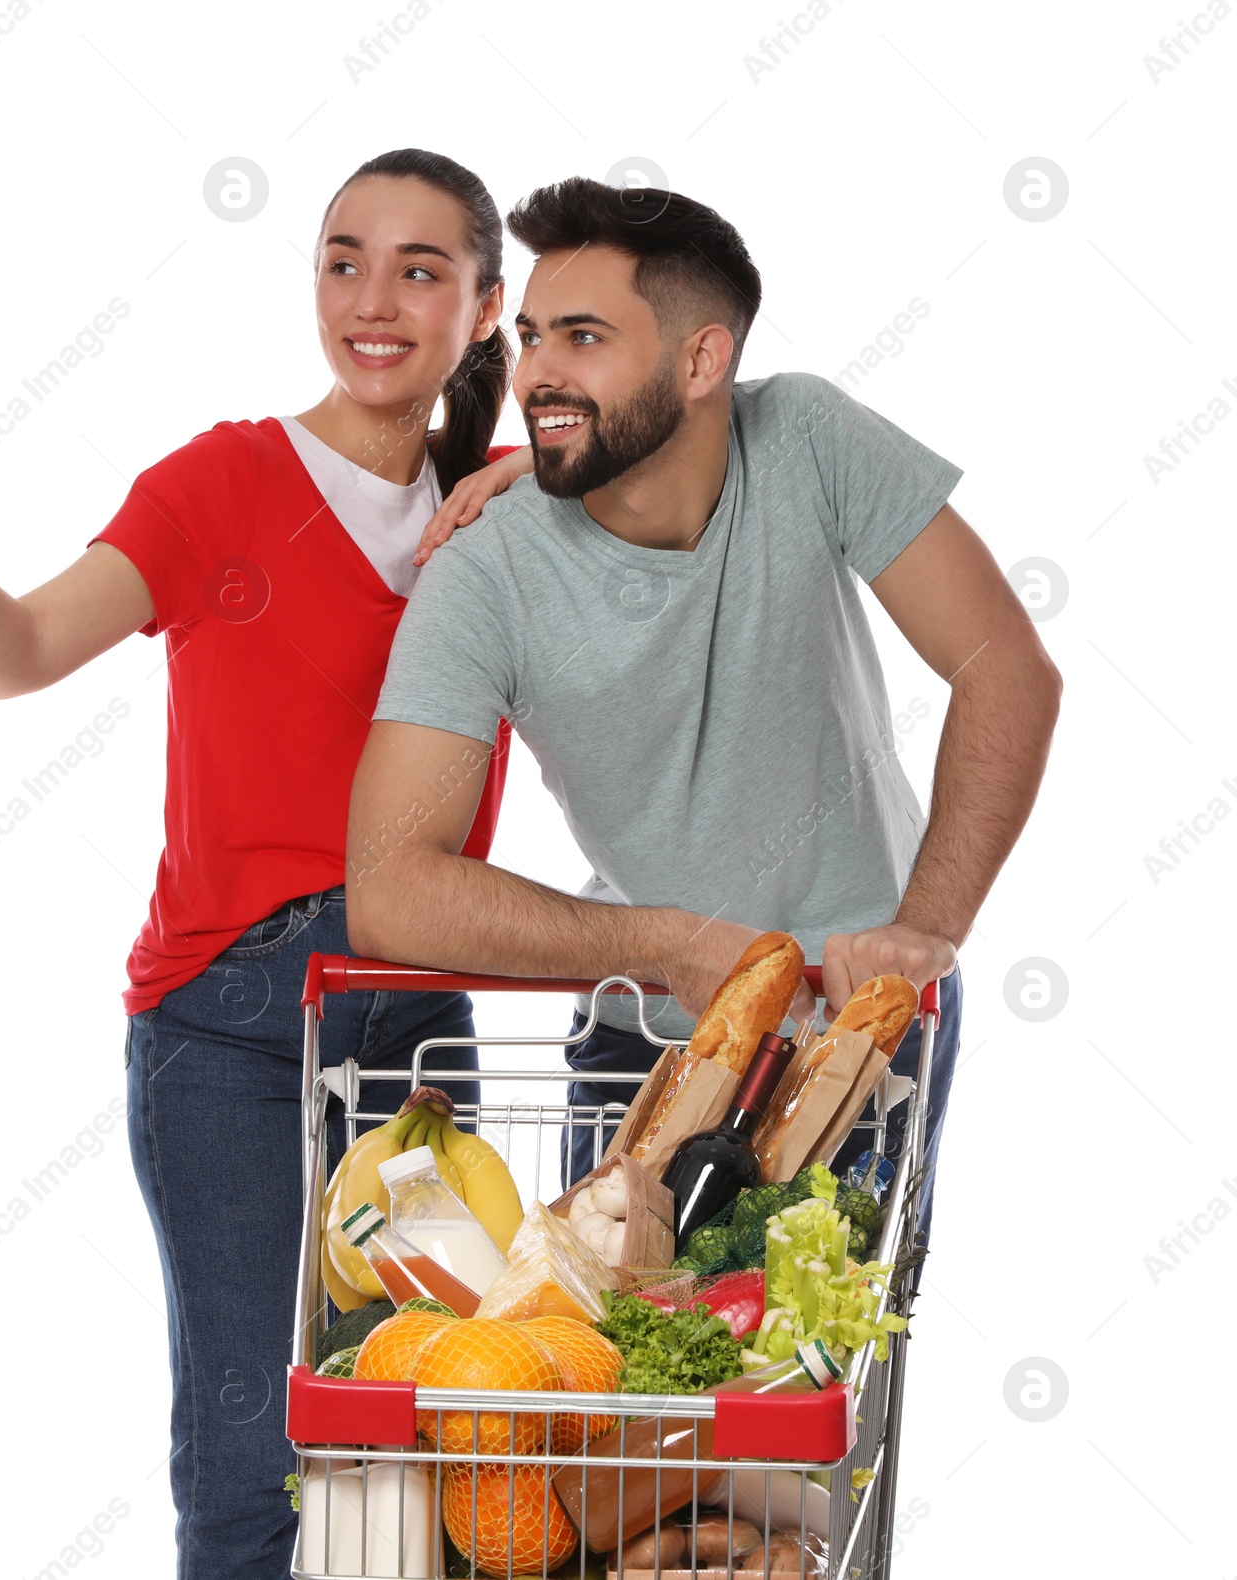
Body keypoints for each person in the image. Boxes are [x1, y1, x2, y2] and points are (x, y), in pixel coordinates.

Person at [0, 148, 534, 1580]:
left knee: (409, 1435)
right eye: (342, 261)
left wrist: (521, 495)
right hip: (232, 1028)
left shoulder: (505, 508)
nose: (371, 301)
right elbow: (13, 653)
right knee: (260, 1459)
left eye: (420, 271)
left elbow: (675, 493)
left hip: (421, 1015)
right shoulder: (224, 483)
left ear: (484, 306)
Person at [346, 176, 1062, 1247]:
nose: (537, 369)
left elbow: (1005, 667)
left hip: (859, 1028)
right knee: (613, 1402)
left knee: (815, 1389)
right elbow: (389, 887)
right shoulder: (483, 571)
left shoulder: (807, 436)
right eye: (534, 334)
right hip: (646, 1037)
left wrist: (921, 931)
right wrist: (669, 942)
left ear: (701, 359)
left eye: (583, 337)